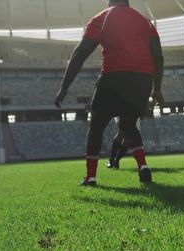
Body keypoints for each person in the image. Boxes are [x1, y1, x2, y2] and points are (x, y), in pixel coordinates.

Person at [54, 0, 164, 186]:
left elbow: (81, 53)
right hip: (142, 80)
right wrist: (157, 88)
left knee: (96, 125)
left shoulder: (102, 17)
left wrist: (64, 87)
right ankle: (143, 166)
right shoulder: (145, 21)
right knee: (128, 125)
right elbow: (158, 57)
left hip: (114, 76)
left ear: (110, 2)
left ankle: (91, 176)